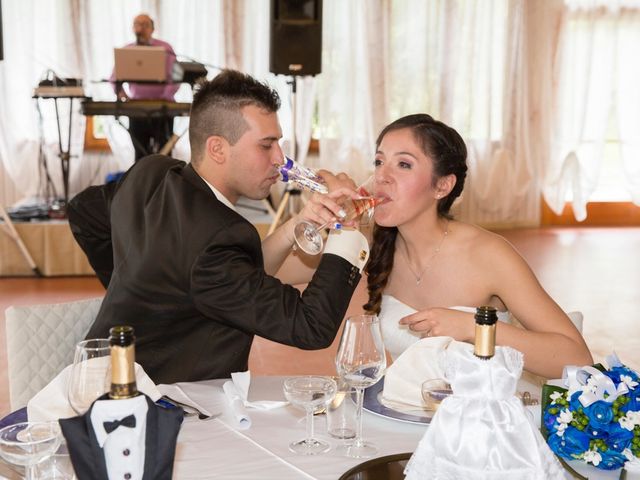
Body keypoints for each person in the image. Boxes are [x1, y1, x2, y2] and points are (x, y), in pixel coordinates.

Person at [68, 69, 369, 384]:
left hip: (98, 373)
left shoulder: (153, 172)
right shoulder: (218, 240)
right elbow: (311, 326)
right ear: (217, 148)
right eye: (266, 145)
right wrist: (347, 225)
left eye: (278, 143)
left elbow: (83, 214)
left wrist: (138, 287)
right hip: (149, 404)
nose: (280, 159)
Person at [364, 113, 592, 379]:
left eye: (403, 164)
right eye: (379, 162)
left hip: (479, 415)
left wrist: (474, 328)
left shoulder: (489, 255)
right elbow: (302, 277)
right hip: (400, 412)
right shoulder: (373, 247)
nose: (382, 176)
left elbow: (577, 358)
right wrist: (317, 217)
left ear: (442, 185)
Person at [111, 13, 180, 161]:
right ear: (133, 28)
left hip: (164, 109)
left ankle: (165, 184)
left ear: (152, 29)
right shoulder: (126, 51)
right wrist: (123, 95)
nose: (140, 28)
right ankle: (143, 183)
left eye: (145, 24)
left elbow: (176, 77)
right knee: (140, 156)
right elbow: (113, 79)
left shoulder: (165, 48)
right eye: (137, 24)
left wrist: (164, 99)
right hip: (137, 109)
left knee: (164, 155)